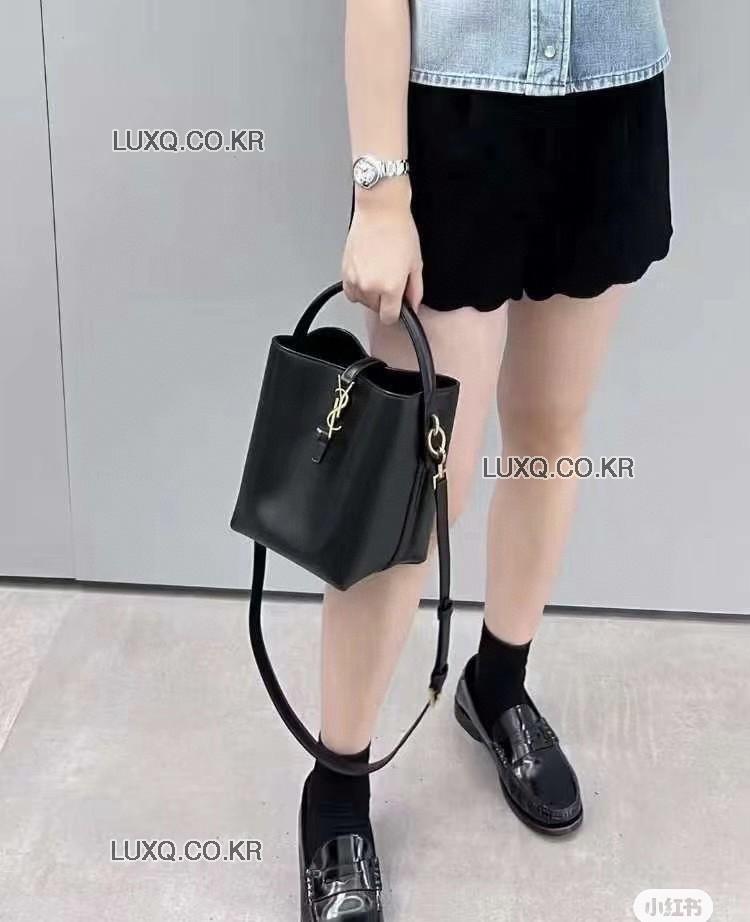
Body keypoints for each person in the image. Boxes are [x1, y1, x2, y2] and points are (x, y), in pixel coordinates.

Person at [299, 1, 672, 918]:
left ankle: (497, 685)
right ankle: (336, 785)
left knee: (549, 432)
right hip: (455, 111)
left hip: (612, 95)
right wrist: (381, 194)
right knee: (412, 488)